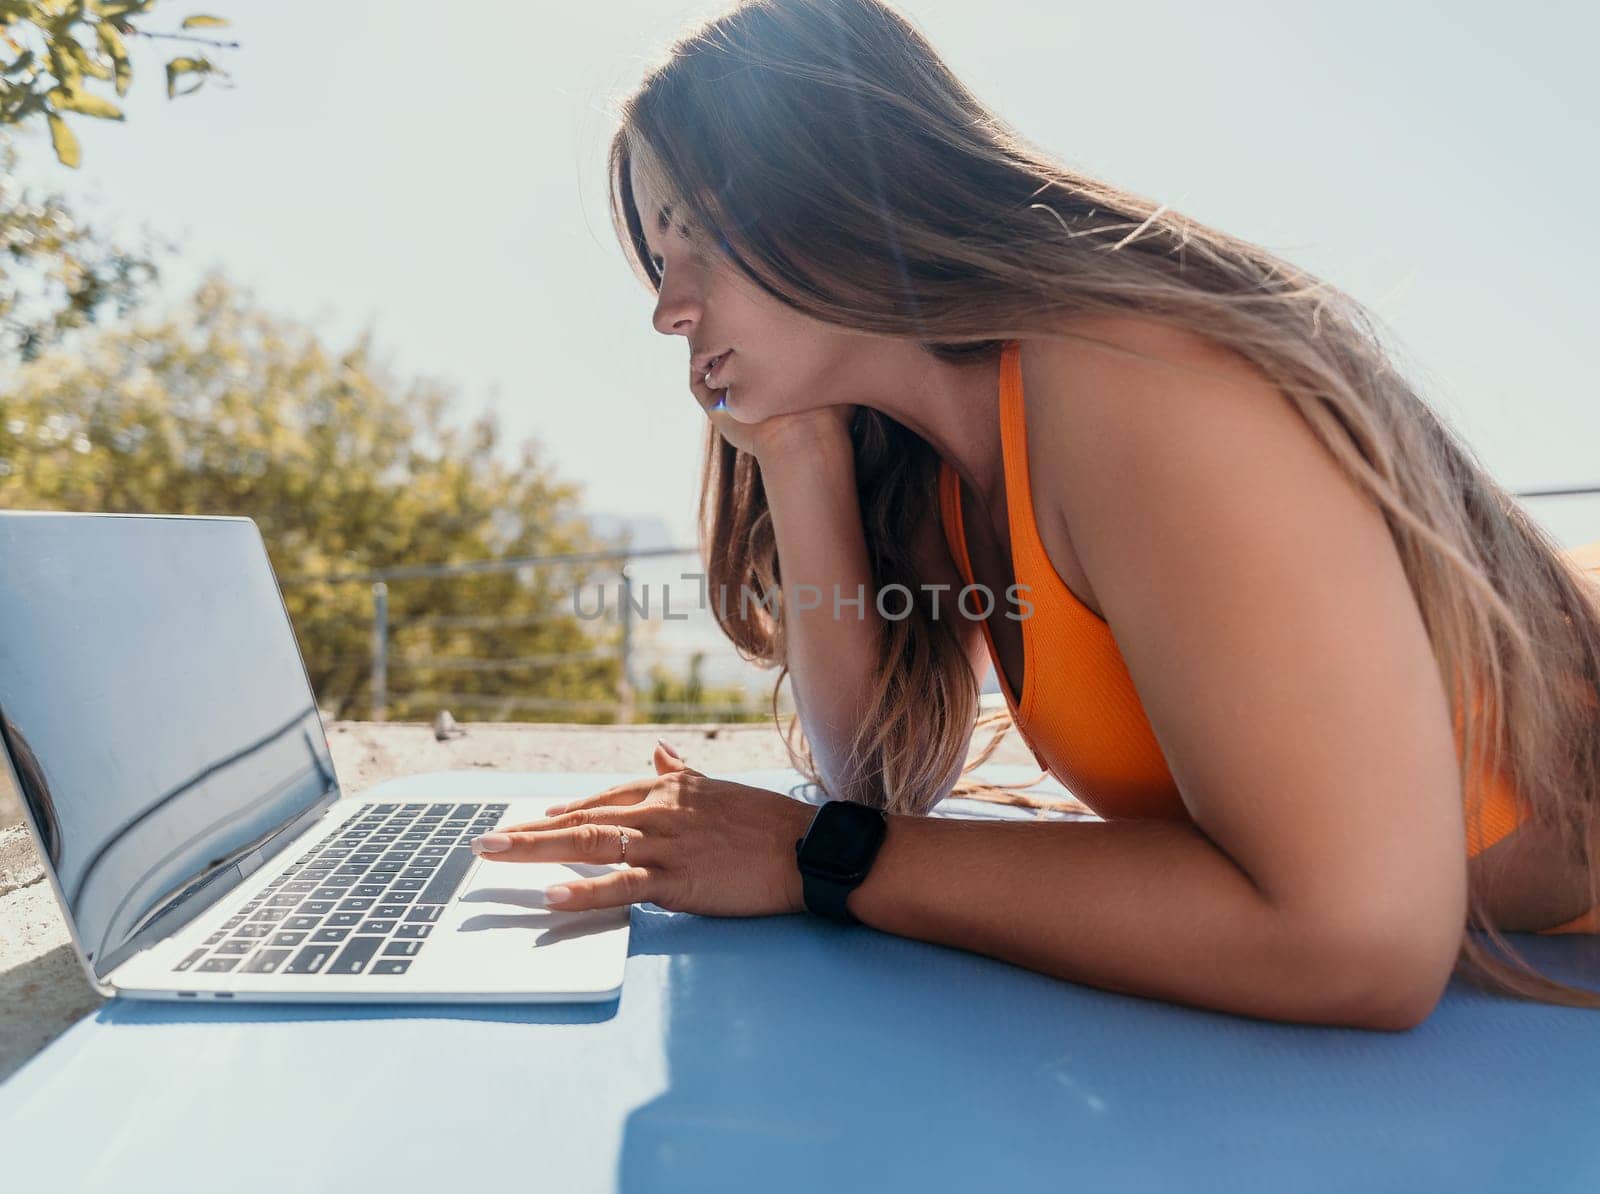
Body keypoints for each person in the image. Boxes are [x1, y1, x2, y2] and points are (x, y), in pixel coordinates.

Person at [471, 0, 1600, 1027]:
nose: (668, 310)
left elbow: (1357, 943)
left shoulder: (1135, 381)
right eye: (657, 265)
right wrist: (796, 447)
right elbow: (875, 776)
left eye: (696, 240)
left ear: (839, 183)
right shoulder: (950, 465)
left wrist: (818, 858)